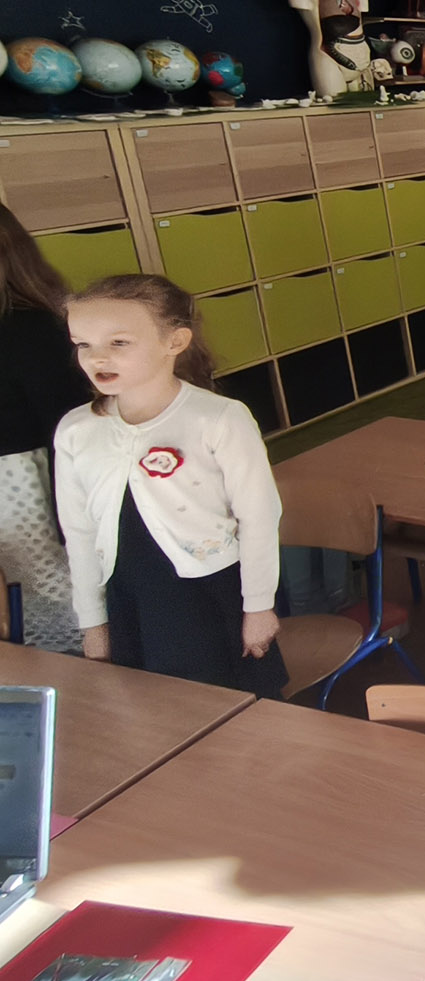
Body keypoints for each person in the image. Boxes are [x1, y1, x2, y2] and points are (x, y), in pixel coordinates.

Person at [55, 274, 287, 696]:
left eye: (119, 342)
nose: (97, 357)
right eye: (83, 344)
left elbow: (259, 517)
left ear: (175, 342)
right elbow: (79, 533)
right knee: (151, 708)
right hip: (129, 598)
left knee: (237, 708)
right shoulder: (76, 430)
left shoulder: (219, 418)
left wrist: (258, 606)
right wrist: (93, 623)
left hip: (208, 594)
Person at [0, 207, 91, 652]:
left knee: (53, 625)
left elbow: (67, 429)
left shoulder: (32, 328)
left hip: (27, 493)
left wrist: (70, 522)